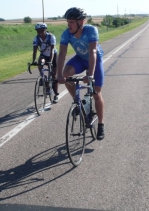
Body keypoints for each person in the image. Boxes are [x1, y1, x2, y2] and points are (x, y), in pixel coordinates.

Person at [56, 7, 105, 140]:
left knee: (96, 92)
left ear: (81, 22)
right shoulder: (66, 34)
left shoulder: (91, 30)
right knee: (66, 74)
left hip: (94, 59)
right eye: (68, 22)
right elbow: (61, 54)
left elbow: (92, 52)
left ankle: (101, 124)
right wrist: (59, 75)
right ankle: (77, 102)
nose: (68, 25)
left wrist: (90, 75)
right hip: (79, 59)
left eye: (71, 22)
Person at [31, 22, 59, 103]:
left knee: (54, 76)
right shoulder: (36, 38)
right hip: (44, 56)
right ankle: (42, 77)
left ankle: (56, 94)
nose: (40, 32)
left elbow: (52, 50)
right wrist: (34, 60)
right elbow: (35, 51)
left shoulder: (51, 37)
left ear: (45, 30)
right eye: (38, 31)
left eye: (42, 30)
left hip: (52, 55)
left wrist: (50, 61)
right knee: (40, 62)